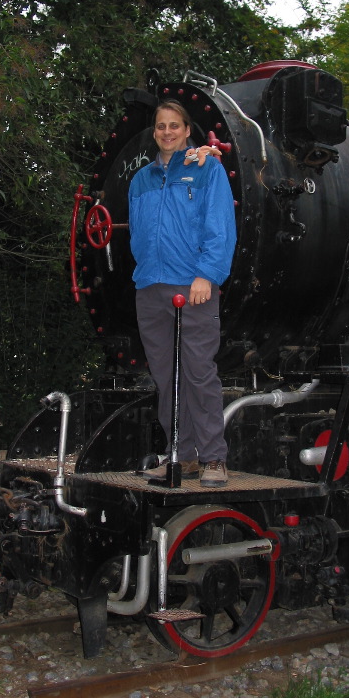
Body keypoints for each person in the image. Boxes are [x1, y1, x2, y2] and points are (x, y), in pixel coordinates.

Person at [128, 100, 236, 486]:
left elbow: (220, 226)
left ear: (187, 130)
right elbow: (141, 234)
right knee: (164, 376)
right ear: (154, 132)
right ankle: (181, 454)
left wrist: (207, 274)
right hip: (150, 287)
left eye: (175, 125)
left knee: (198, 372)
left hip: (193, 286)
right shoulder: (140, 179)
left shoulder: (205, 167)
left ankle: (213, 459)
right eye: (161, 126)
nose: (168, 132)